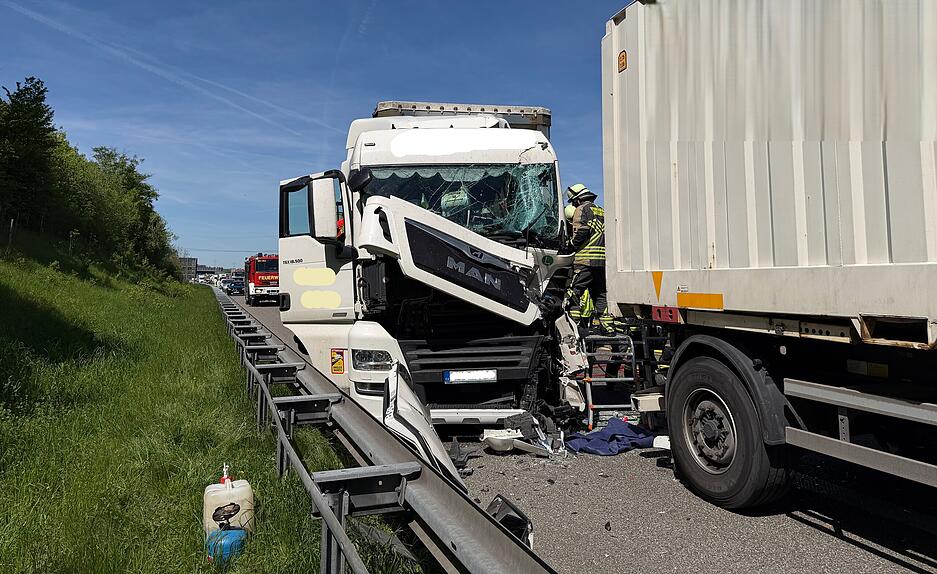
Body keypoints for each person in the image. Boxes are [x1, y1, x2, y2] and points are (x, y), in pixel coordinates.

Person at [565, 183, 611, 333]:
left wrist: (569, 245)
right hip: (602, 263)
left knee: (573, 293)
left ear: (577, 200)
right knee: (601, 296)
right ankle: (609, 331)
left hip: (584, 261)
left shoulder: (581, 209)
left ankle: (573, 329)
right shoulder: (601, 210)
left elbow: (581, 233)